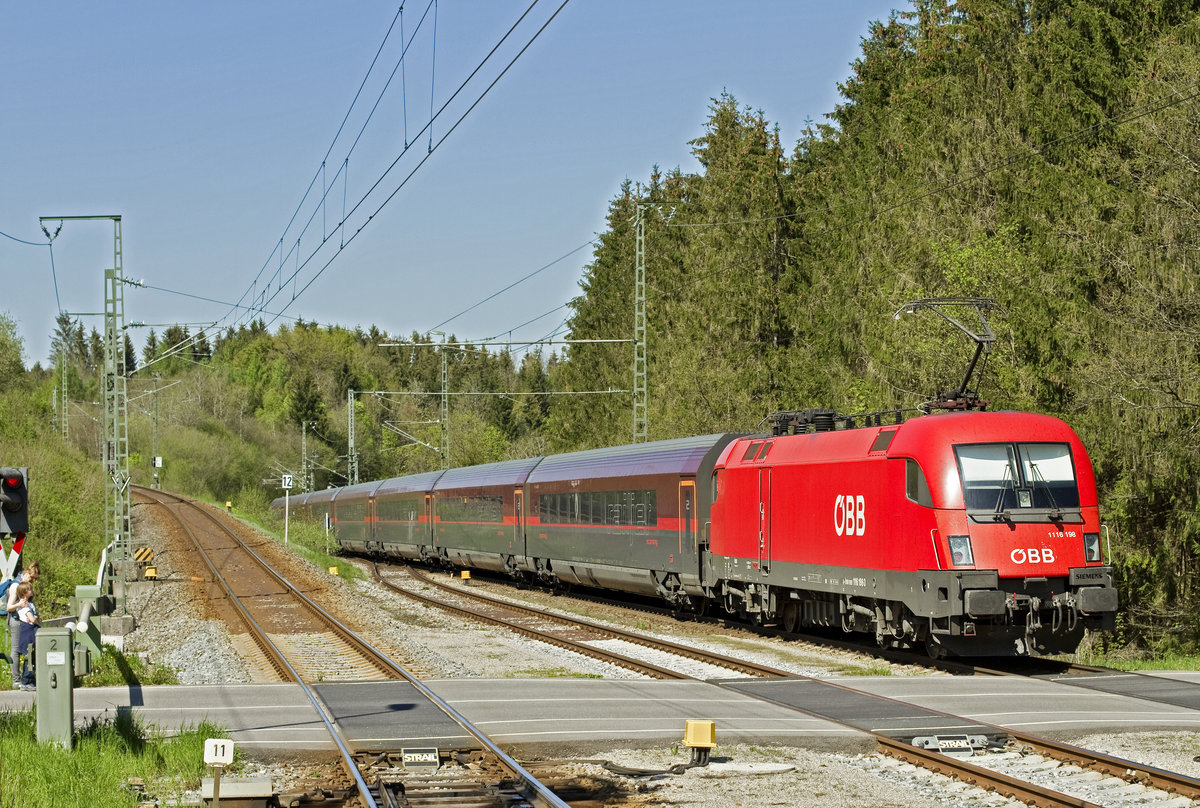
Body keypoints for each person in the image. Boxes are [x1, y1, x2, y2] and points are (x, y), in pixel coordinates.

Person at [5, 561, 40, 688]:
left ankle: (26, 677)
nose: (33, 581)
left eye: (36, 579)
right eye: (32, 578)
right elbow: (9, 607)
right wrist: (20, 605)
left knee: (27, 649)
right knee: (16, 650)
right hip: (16, 620)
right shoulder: (16, 585)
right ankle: (16, 680)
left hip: (25, 620)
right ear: (27, 573)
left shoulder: (26, 585)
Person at [13, 581, 38, 690]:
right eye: (29, 589)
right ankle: (26, 681)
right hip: (28, 631)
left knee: (33, 655)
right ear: (24, 593)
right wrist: (37, 620)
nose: (32, 590)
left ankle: (30, 680)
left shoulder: (30, 604)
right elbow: (32, 619)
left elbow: (35, 618)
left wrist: (37, 619)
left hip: (32, 630)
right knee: (29, 655)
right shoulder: (24, 605)